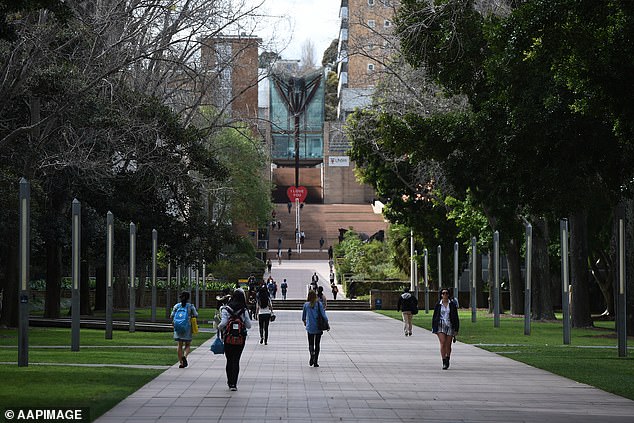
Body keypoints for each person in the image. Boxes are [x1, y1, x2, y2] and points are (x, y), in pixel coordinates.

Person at [218, 289, 252, 390]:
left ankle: (230, 382)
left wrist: (218, 327)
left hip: (228, 338)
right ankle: (234, 383)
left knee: (229, 360)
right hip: (240, 339)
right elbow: (248, 325)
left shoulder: (226, 309)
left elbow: (223, 323)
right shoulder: (244, 310)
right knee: (236, 360)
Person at [432, 288, 460, 370]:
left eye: (446, 293)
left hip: (450, 324)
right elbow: (435, 317)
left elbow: (455, 317)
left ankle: (448, 358)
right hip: (440, 325)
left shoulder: (452, 305)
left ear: (448, 294)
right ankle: (444, 360)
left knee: (448, 344)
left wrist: (456, 329)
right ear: (441, 295)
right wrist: (434, 327)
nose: (444, 295)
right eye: (443, 293)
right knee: (442, 342)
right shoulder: (438, 304)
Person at [171, 291, 198, 369]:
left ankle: (181, 362)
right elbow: (196, 315)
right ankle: (185, 356)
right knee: (187, 344)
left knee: (179, 345)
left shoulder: (177, 306)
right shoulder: (190, 306)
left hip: (178, 327)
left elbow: (172, 315)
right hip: (187, 327)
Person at [302, 290, 329, 367]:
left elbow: (303, 317)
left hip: (310, 327)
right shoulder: (319, 304)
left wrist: (305, 322)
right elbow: (323, 315)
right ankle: (316, 361)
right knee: (317, 344)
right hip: (318, 326)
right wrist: (327, 323)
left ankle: (311, 353)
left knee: (311, 343)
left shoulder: (306, 305)